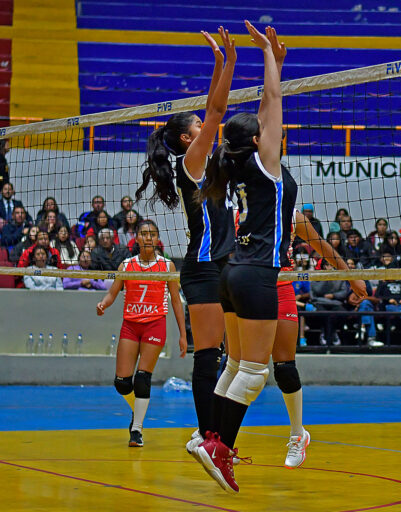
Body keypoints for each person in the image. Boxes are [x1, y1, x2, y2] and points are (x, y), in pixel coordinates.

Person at [193, 23, 296, 494]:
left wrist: (273, 59)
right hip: (256, 274)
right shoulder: (264, 162)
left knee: (233, 365)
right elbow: (271, 104)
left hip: (231, 272)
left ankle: (208, 438)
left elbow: (264, 112)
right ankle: (221, 448)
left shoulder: (233, 161)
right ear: (258, 141)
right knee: (253, 372)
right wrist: (268, 57)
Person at [135, 26, 236, 462]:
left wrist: (220, 65)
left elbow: (213, 111)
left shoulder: (206, 160)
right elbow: (216, 110)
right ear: (185, 138)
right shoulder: (191, 161)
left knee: (227, 355)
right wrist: (225, 63)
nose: (205, 125)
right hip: (205, 264)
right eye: (196, 125)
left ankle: (211, 435)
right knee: (210, 353)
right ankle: (207, 434)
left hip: (223, 263)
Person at [273, 206, 366, 463]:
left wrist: (350, 277)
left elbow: (322, 246)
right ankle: (217, 436)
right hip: (247, 290)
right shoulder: (237, 209)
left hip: (280, 290)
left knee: (284, 367)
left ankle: (297, 435)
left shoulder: (291, 215)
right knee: (240, 366)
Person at [96, 220, 187, 448]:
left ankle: (136, 429)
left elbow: (176, 301)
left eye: (152, 234)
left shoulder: (167, 266)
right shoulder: (126, 265)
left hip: (155, 325)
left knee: (143, 378)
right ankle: (136, 412)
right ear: (136, 238)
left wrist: (183, 334)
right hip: (131, 325)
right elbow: (112, 293)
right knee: (122, 383)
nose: (148, 238)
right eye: (144, 234)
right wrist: (103, 304)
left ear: (158, 239)